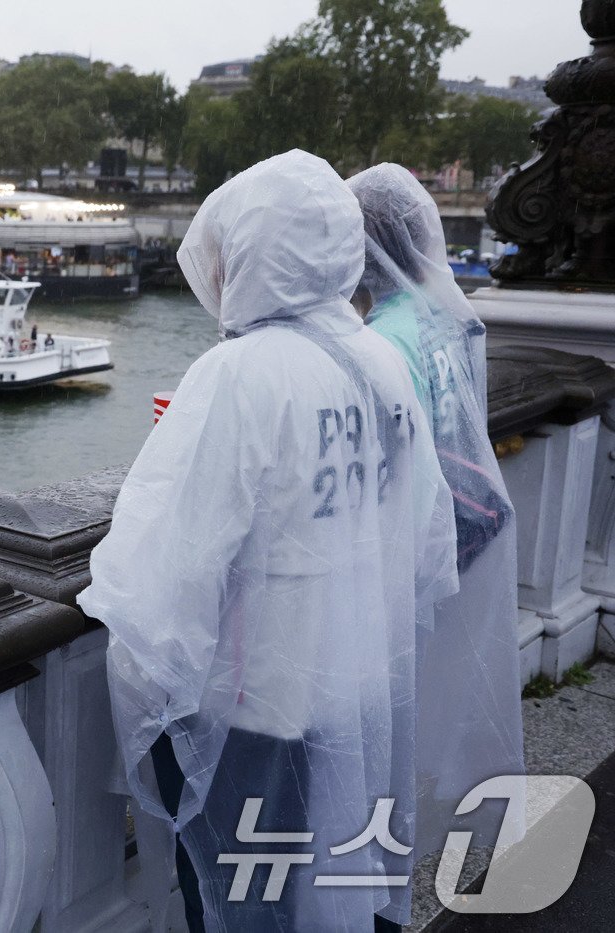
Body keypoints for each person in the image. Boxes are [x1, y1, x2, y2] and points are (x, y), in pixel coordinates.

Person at [78, 150, 458, 932]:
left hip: (250, 701)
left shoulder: (238, 374)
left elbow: (165, 568)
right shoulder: (378, 361)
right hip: (347, 681)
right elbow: (424, 535)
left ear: (257, 249)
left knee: (239, 889)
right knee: (313, 873)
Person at [348, 163, 524, 857]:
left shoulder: (383, 338)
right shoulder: (445, 313)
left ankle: (381, 830)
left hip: (416, 547)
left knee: (394, 706)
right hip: (467, 527)